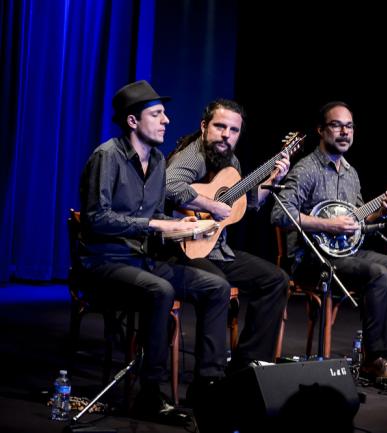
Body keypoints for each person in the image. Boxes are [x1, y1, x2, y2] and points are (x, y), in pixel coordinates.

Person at [79, 80, 231, 425]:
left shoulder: (159, 160)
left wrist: (188, 227)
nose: (166, 120)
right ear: (133, 121)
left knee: (216, 287)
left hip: (142, 260)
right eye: (157, 114)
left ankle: (209, 381)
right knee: (159, 290)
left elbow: (155, 216)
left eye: (164, 114)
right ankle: (150, 391)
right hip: (105, 262)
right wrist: (156, 226)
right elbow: (96, 218)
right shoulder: (107, 156)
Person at [270, 101, 387, 378]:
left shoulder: (351, 174)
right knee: (377, 273)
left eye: (349, 126)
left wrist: (381, 211)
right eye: (336, 125)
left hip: (346, 255)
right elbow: (280, 214)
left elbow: (359, 224)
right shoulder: (306, 169)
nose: (344, 132)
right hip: (311, 258)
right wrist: (327, 224)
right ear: (321, 130)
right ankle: (373, 359)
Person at [165, 99, 290, 374]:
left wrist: (272, 180)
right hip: (179, 250)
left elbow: (247, 202)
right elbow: (167, 185)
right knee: (217, 285)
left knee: (275, 280)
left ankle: (248, 366)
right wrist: (209, 205)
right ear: (204, 126)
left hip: (215, 249)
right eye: (220, 126)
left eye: (233, 130)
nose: (226, 135)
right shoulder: (193, 155)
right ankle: (210, 376)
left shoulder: (230, 161)